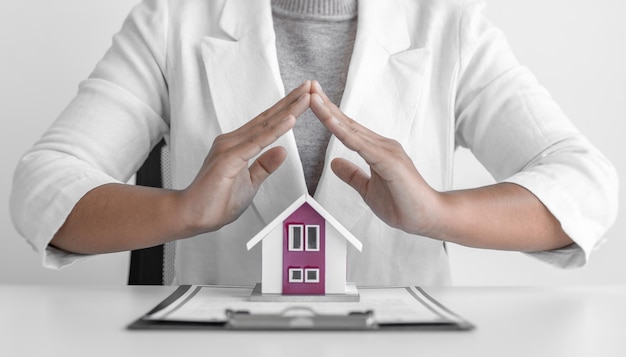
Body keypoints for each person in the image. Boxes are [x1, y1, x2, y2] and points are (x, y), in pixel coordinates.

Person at [10, 0, 618, 286]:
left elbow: (587, 188)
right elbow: (43, 186)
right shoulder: (172, 21)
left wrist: (439, 212)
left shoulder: (450, 26)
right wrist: (180, 211)